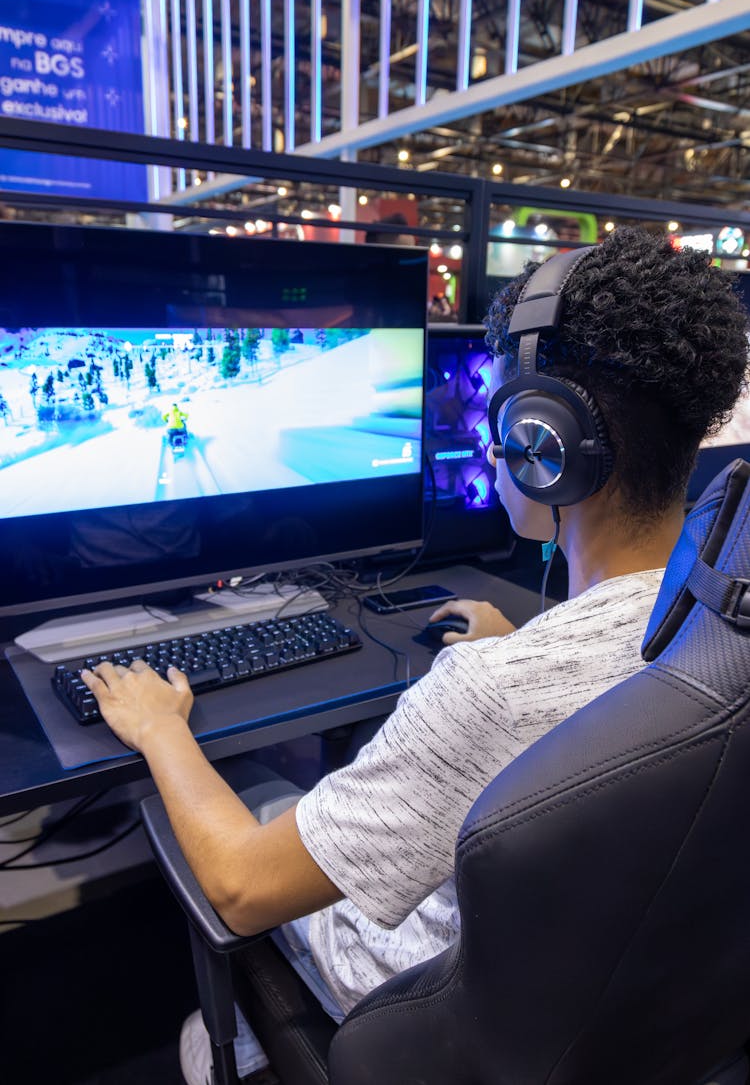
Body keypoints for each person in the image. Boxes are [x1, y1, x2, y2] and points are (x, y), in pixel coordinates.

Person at [80, 228, 749, 1084]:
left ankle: (237, 1047)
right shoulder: (719, 615)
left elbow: (241, 885)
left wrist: (160, 726)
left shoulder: (490, 693)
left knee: (261, 794)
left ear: (545, 442)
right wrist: (526, 652)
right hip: (644, 997)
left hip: (422, 1003)